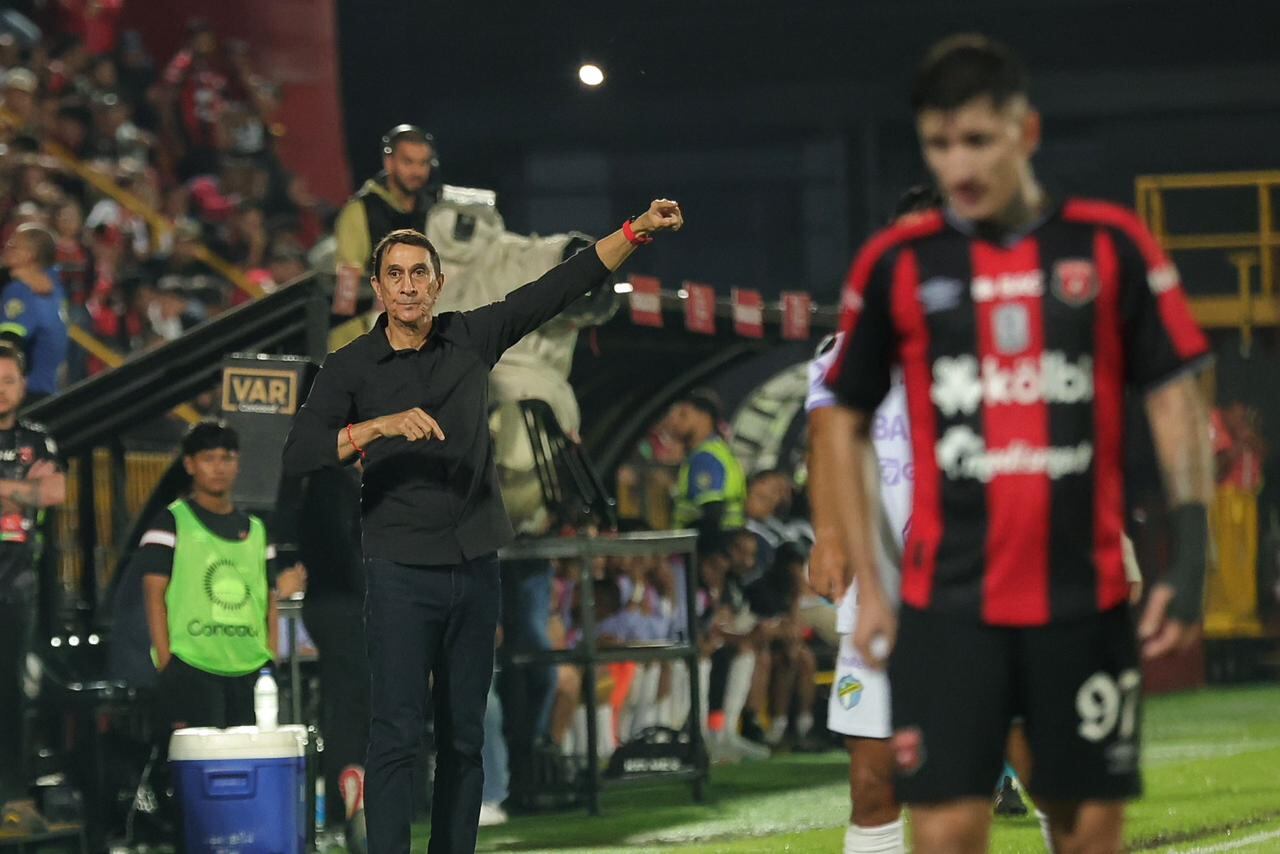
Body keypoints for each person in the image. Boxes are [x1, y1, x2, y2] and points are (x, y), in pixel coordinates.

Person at [814, 34, 1214, 854]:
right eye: (938, 144)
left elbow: (1176, 393)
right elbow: (839, 418)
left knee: (1083, 822)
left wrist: (1191, 548)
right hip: (946, 602)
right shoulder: (898, 267)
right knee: (944, 826)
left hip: (1076, 594)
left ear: (1025, 132)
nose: (958, 164)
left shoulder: (1108, 246)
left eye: (976, 140)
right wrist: (868, 578)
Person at [282, 199, 684, 854]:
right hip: (397, 570)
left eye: (420, 273)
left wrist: (635, 232)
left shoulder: (471, 336)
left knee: (463, 737)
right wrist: (377, 427)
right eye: (395, 274)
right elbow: (299, 453)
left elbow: (560, 287)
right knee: (395, 733)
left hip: (474, 566)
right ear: (378, 287)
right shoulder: (351, 366)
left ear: (438, 284)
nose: (408, 286)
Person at [140, 421, 280, 733]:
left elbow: (270, 600)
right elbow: (153, 596)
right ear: (189, 464)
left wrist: (270, 657)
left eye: (227, 458)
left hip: (251, 669)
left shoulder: (257, 530)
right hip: (191, 667)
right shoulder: (170, 523)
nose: (219, 467)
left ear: (238, 463)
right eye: (208, 458)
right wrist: (167, 662)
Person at [0, 344, 65, 818]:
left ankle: (13, 795)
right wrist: (25, 488)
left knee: (12, 691)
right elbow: (36, 491)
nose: (1, 390)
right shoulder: (32, 455)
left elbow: (54, 491)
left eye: (9, 381)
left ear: (24, 386)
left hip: (18, 584)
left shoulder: (38, 440)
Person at [334, 125, 440, 277]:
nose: (417, 171)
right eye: (408, 162)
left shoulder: (435, 208)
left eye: (423, 163)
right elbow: (349, 277)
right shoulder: (360, 210)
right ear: (389, 162)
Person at [669, 388, 747, 547]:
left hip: (706, 550)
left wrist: (701, 554)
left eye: (683, 415)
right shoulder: (718, 451)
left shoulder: (705, 458)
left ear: (704, 417)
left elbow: (711, 514)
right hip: (726, 545)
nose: (675, 423)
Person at [0, 224, 69, 401]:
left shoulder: (20, 290)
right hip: (49, 390)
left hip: (22, 393)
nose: (7, 247)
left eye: (14, 245)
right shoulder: (56, 288)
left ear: (30, 255)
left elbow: (9, 343)